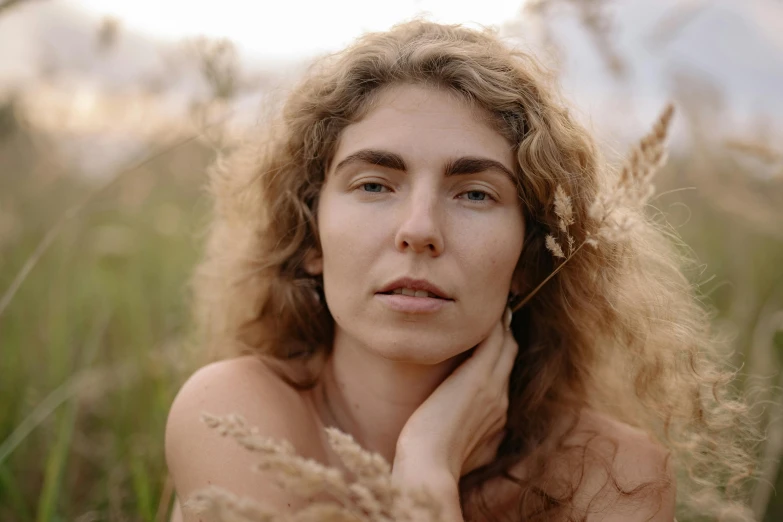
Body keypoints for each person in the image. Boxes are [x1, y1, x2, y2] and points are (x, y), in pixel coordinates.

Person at [165, 20, 758, 521]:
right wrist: (427, 467)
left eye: (474, 194)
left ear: (531, 254)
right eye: (374, 184)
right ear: (311, 236)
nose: (419, 229)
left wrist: (426, 462)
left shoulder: (612, 476)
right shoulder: (236, 418)